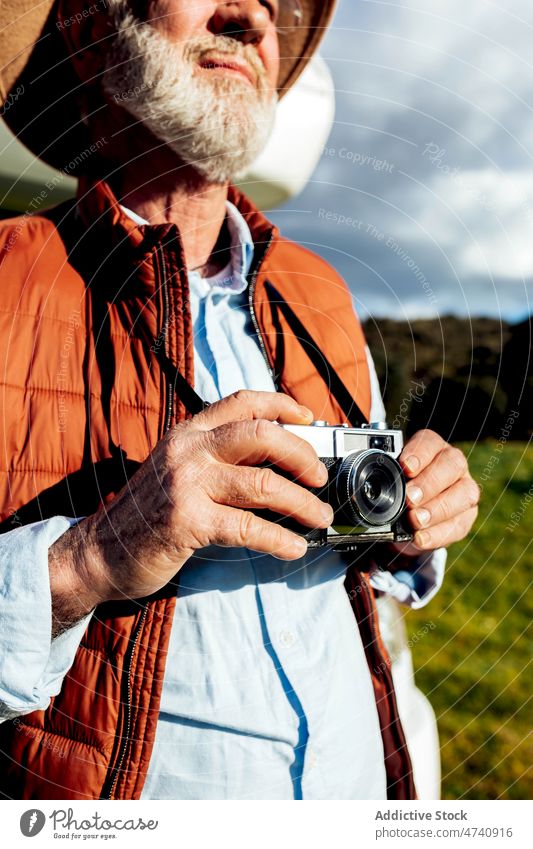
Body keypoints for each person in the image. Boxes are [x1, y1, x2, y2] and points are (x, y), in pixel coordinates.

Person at [0, 0, 480, 800]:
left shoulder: (319, 293)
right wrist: (92, 558)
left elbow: (360, 567)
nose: (251, 15)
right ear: (88, 36)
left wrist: (411, 515)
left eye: (268, 1)